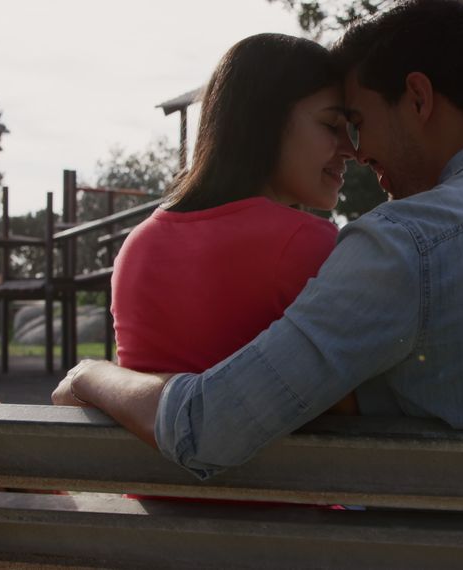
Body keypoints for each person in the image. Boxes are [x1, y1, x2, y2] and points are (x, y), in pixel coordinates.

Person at [53, 0, 463, 480]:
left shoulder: (408, 245)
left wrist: (90, 375)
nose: (356, 149)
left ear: (419, 98)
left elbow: (206, 428)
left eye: (359, 121)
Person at [110, 33, 358, 415]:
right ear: (266, 120)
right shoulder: (306, 243)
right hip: (268, 474)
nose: (351, 150)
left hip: (133, 472)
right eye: (331, 126)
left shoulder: (138, 246)